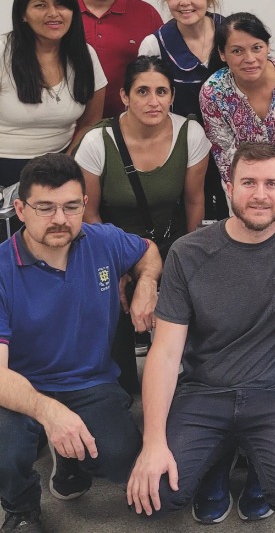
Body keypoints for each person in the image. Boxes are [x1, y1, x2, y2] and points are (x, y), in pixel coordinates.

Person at [126, 143, 275, 523]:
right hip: (205, 390)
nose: (260, 195)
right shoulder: (188, 253)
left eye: (271, 183)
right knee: (154, 499)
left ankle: (261, 465)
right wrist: (153, 443)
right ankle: (220, 457)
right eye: (248, 182)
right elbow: (164, 354)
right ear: (229, 186)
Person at [0, 153, 161, 533]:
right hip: (20, 387)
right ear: (20, 209)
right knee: (4, 445)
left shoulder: (104, 240)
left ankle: (68, 461)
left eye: (71, 206)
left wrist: (145, 282)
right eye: (45, 208)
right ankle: (22, 508)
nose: (61, 219)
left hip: (90, 382)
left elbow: (149, 251)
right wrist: (50, 413)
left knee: (119, 459)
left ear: (84, 204)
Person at [74, 56, 209, 395]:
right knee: (110, 303)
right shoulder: (96, 141)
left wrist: (188, 260)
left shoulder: (190, 133)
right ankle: (118, 388)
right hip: (111, 243)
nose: (153, 101)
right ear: (124, 96)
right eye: (143, 91)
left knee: (191, 303)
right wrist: (118, 264)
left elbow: (194, 202)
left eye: (162, 91)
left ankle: (185, 383)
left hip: (171, 242)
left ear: (172, 96)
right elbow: (88, 214)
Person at [0, 0, 107, 191]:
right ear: (23, 14)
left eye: (61, 5)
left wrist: (67, 164)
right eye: (40, 5)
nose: (53, 14)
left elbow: (90, 123)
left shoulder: (85, 55)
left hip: (59, 167)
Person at [139, 0, 227, 220]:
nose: (185, 2)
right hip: (181, 151)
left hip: (231, 149)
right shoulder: (154, 45)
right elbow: (146, 104)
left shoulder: (230, 31)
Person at [200, 12, 275, 215]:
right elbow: (225, 154)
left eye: (257, 48)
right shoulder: (214, 91)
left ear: (268, 47)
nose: (249, 59)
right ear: (222, 54)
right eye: (237, 51)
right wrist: (253, 194)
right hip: (244, 182)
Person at [73, 0, 163, 118]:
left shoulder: (146, 14)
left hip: (130, 131)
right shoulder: (60, 12)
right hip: (65, 132)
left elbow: (161, 77)